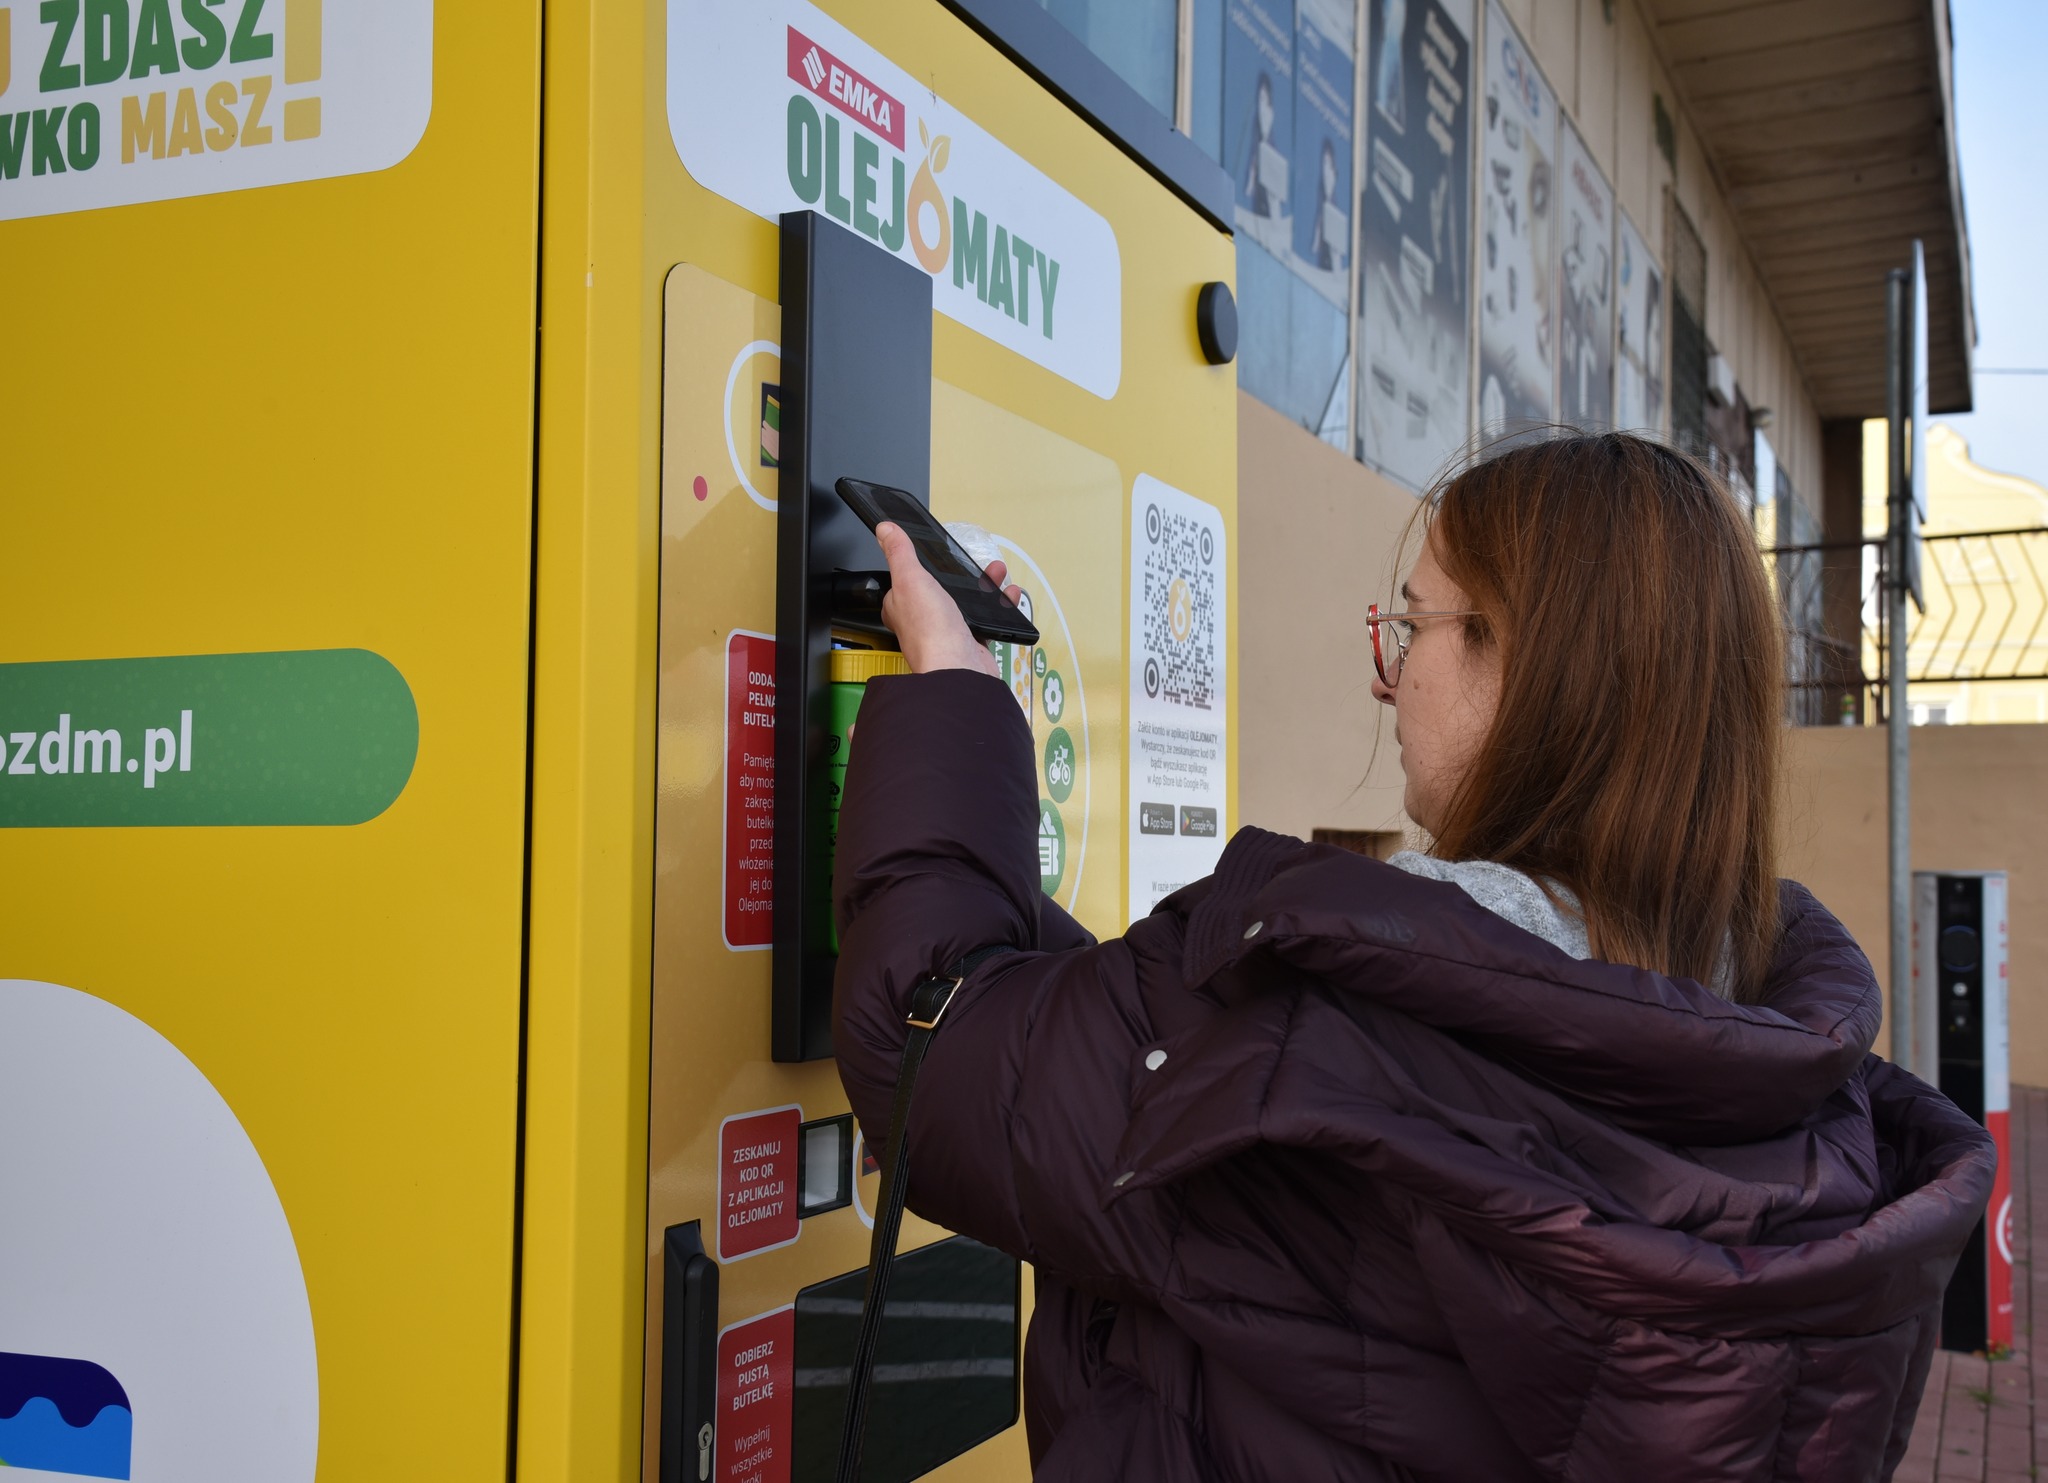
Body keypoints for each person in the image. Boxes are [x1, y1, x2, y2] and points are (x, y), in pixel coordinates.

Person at [831, 433, 1993, 1482]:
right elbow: (1158, 1076)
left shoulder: (1347, 1002)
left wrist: (953, 705)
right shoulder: (1767, 1057)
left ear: (1529, 673)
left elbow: (926, 1055)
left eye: (1415, 621)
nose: (1383, 673)